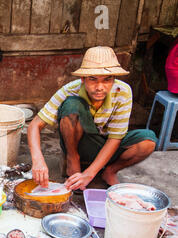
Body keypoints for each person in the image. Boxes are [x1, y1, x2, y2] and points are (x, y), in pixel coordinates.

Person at [27, 46, 157, 191]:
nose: (100, 87)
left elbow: (115, 138)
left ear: (114, 79)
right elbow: (35, 125)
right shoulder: (70, 90)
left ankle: (110, 171)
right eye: (93, 79)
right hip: (80, 143)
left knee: (148, 141)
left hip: (106, 144)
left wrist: (89, 174)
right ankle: (73, 160)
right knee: (72, 105)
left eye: (107, 80)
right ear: (83, 79)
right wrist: (37, 160)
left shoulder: (123, 92)